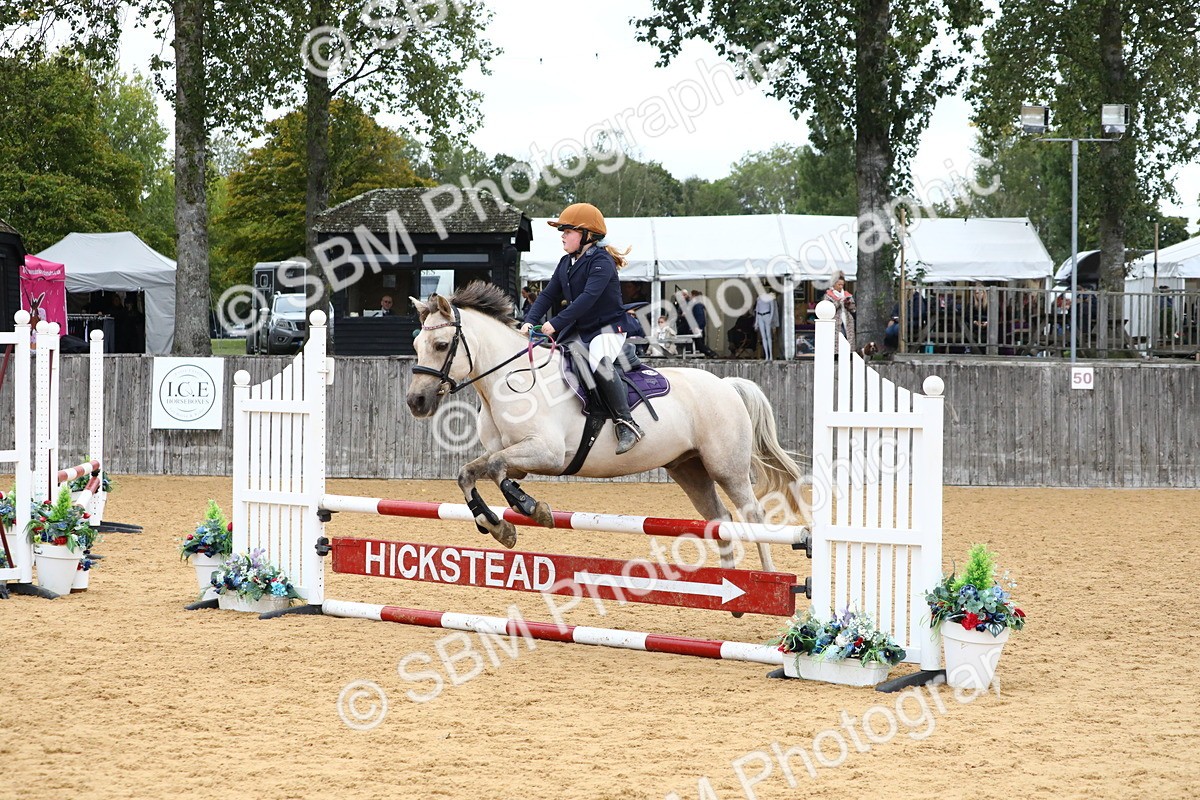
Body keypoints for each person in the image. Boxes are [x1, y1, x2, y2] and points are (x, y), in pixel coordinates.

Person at [520, 203, 643, 454]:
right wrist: (529, 320)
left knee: (598, 360)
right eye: (563, 231)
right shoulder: (566, 263)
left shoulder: (602, 262)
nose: (563, 235)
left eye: (568, 231)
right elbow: (547, 295)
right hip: (582, 329)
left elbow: (588, 299)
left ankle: (626, 422)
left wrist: (555, 323)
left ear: (587, 235)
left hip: (608, 329)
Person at [824, 274, 855, 353]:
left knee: (848, 336)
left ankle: (848, 352)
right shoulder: (828, 296)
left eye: (842, 285)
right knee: (838, 337)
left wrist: (848, 303)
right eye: (839, 284)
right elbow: (828, 309)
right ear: (834, 284)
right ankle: (836, 353)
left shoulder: (846, 294)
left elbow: (853, 309)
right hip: (836, 320)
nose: (841, 286)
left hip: (847, 319)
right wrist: (839, 301)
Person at [689, 289, 718, 358]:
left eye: (691, 295)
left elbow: (700, 318)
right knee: (699, 344)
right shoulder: (698, 305)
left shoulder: (697, 305)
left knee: (699, 344)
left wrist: (697, 327)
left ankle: (711, 353)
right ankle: (705, 355)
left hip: (698, 328)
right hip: (699, 327)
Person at [754, 290, 778, 360]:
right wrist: (756, 322)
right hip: (760, 316)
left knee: (768, 335)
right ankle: (766, 355)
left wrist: (770, 318)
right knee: (763, 337)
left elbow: (772, 308)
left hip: (767, 315)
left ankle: (770, 355)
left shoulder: (769, 298)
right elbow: (757, 310)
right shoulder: (758, 298)